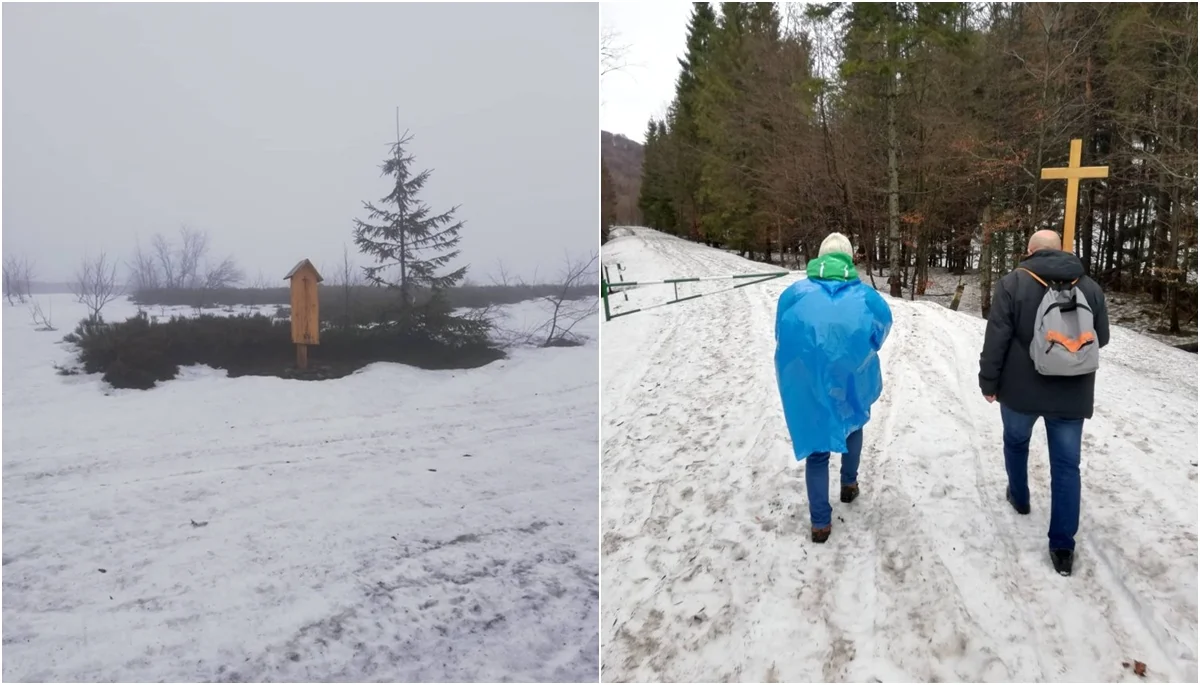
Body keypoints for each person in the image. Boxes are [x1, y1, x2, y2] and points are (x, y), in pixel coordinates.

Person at [979, 229, 1110, 577]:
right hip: (1072, 391)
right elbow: (1103, 338)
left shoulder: (1013, 283)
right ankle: (1063, 546)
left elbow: (997, 337)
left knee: (1016, 441)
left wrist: (988, 381)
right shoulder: (1090, 287)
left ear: (1030, 250)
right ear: (1061, 251)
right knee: (1067, 467)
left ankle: (1019, 497)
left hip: (1020, 391)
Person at [775, 233, 893, 543]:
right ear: (850, 260)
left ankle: (820, 523)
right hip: (851, 378)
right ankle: (849, 485)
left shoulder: (793, 294)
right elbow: (881, 332)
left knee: (817, 449)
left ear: (820, 257)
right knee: (853, 424)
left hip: (809, 381)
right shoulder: (868, 298)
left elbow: (781, 333)